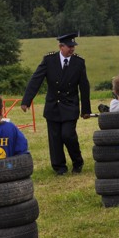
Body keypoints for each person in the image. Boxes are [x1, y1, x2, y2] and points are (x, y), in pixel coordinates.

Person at [21, 33, 91, 175]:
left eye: (73, 46)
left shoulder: (78, 62)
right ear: (61, 47)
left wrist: (85, 110)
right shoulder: (49, 60)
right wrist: (26, 101)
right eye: (69, 46)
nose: (72, 49)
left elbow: (84, 87)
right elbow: (36, 80)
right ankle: (59, 167)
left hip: (70, 105)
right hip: (53, 105)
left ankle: (77, 162)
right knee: (55, 138)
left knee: (68, 135)